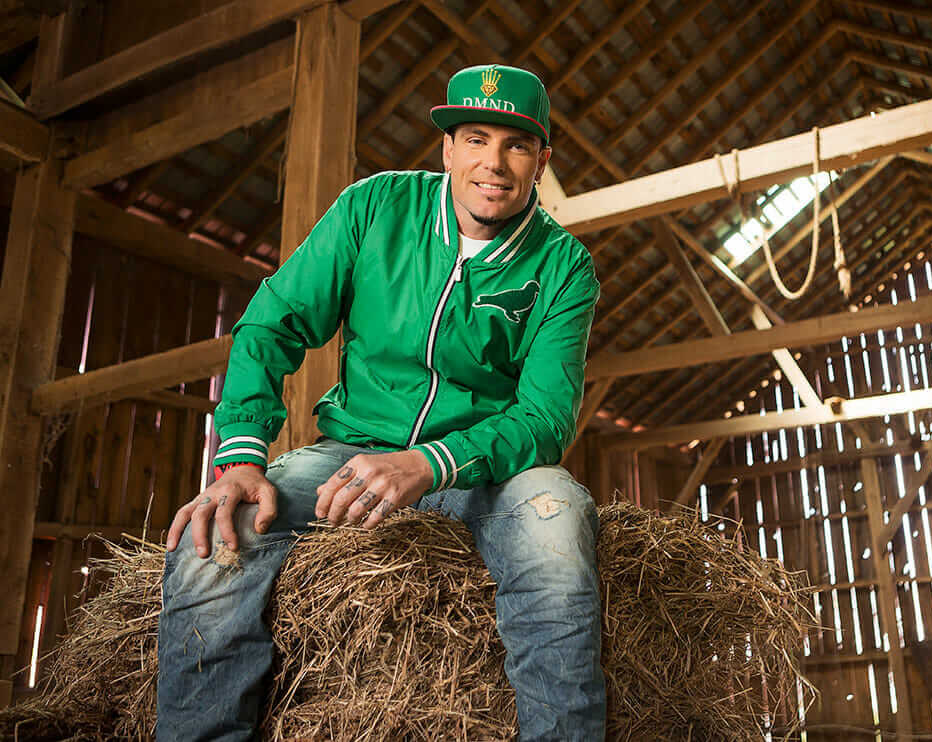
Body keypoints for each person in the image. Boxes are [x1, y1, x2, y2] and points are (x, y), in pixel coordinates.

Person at [155, 64, 604, 742]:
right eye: (476, 138)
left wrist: (428, 463)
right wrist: (241, 458)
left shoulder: (564, 266)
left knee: (558, 525)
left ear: (541, 161)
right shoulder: (374, 209)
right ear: (447, 148)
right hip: (350, 452)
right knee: (218, 535)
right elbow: (271, 323)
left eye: (516, 145)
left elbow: (543, 418)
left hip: (487, 469)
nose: (494, 163)